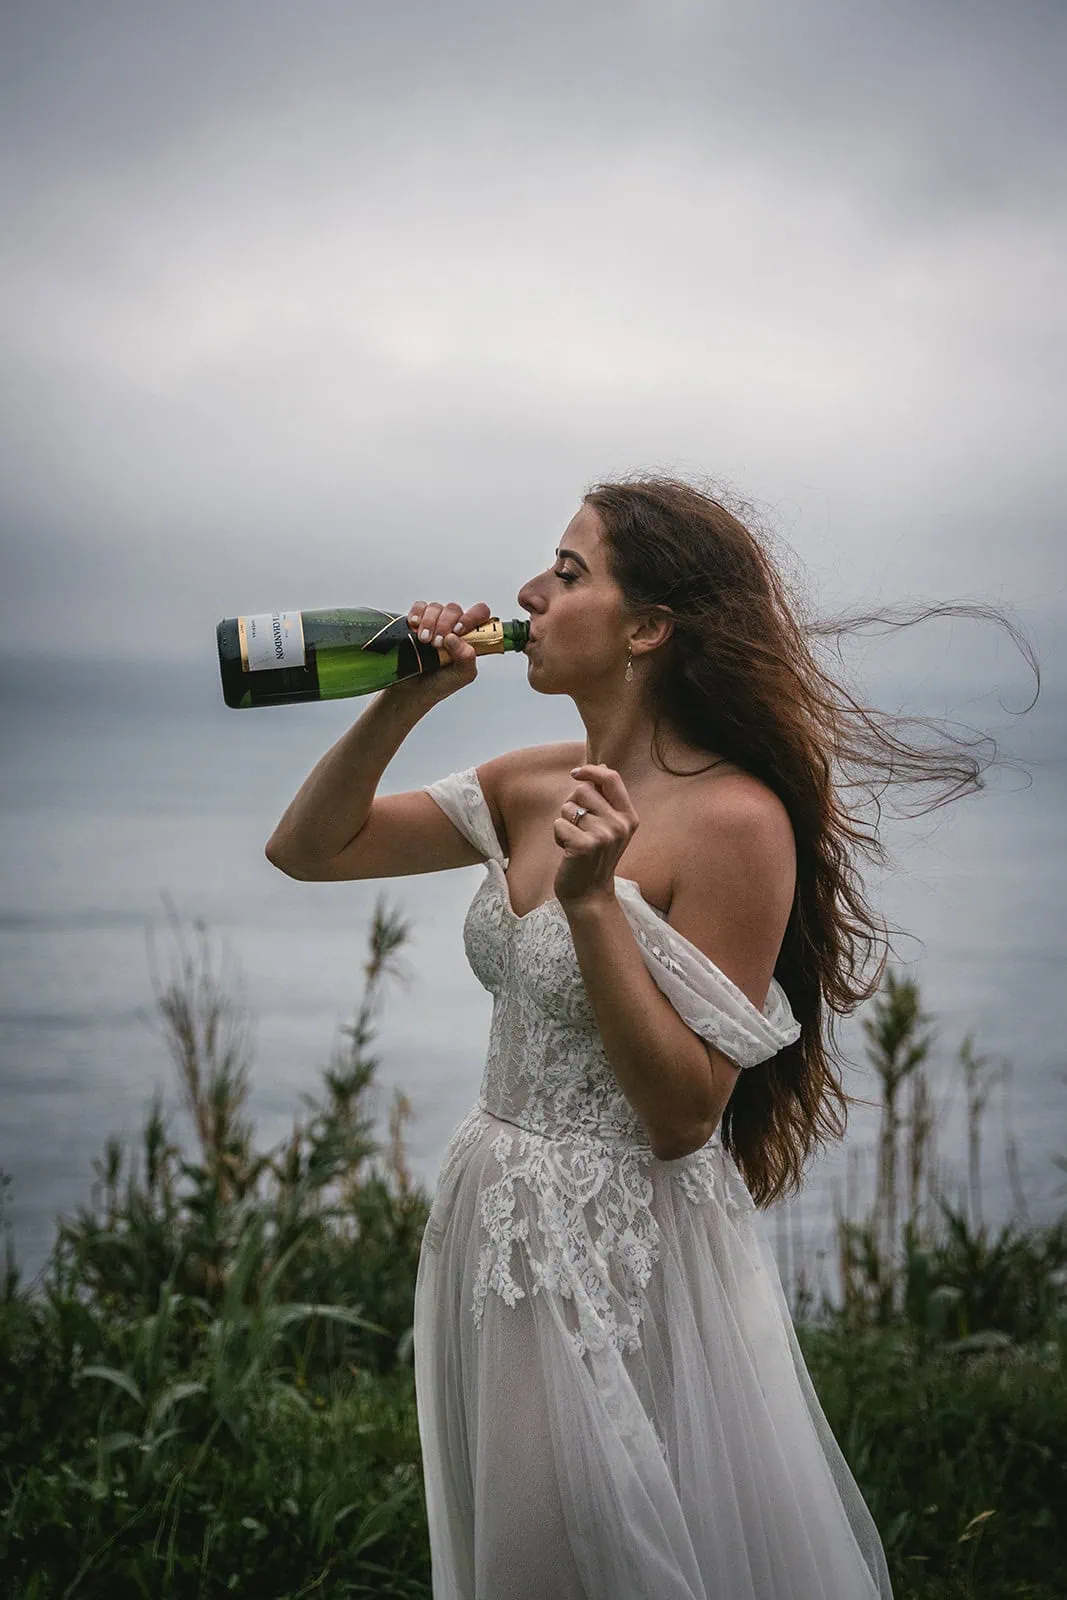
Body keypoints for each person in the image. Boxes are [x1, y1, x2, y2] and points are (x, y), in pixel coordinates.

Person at [265, 476, 1031, 1598]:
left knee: (583, 1559)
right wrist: (402, 697)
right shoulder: (529, 780)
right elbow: (311, 848)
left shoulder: (736, 821)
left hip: (613, 1242)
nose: (528, 591)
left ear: (647, 628)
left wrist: (589, 906)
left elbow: (682, 1116)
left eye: (567, 573)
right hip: (490, 1215)